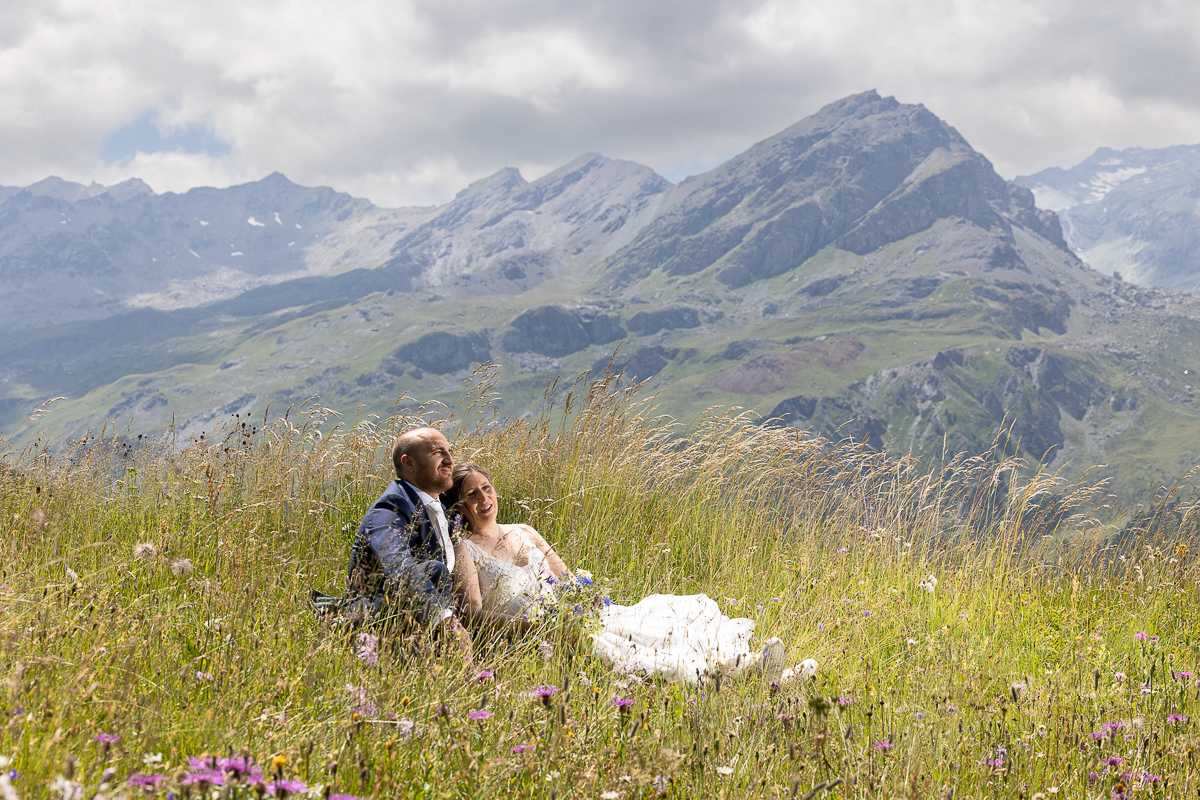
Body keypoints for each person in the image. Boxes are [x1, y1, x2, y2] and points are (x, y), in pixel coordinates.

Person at [447, 462, 792, 684]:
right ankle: (747, 673)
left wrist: (585, 605)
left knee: (661, 629)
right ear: (459, 505)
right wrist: (535, 627)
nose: (484, 498)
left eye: (487, 488)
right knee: (636, 658)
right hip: (534, 634)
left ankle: (756, 667)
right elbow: (472, 614)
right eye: (472, 494)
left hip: (572, 616)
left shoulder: (523, 528)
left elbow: (568, 580)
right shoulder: (466, 549)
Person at [333, 427, 471, 656]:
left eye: (450, 451)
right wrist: (446, 621)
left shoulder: (442, 501)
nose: (449, 460)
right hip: (376, 625)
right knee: (434, 570)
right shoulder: (390, 507)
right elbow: (397, 565)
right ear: (408, 463)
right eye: (438, 453)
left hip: (421, 619)